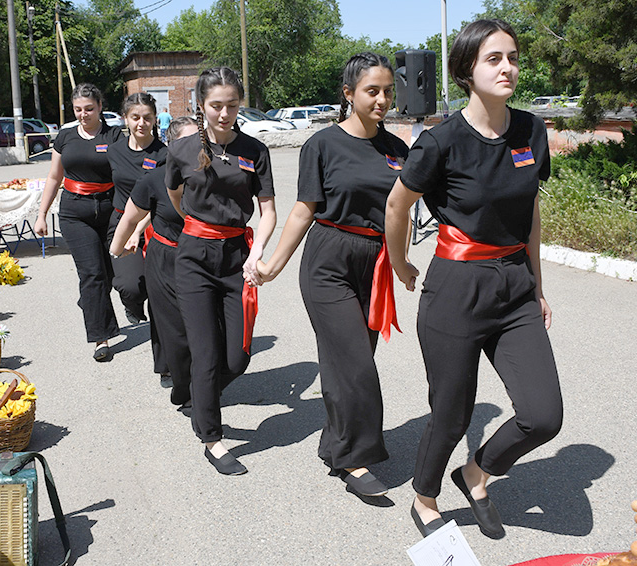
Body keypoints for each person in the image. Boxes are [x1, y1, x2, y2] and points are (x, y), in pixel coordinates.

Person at [384, 19, 563, 539]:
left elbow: (529, 210)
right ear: (466, 71)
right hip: (457, 287)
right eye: (493, 59)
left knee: (542, 414)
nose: (507, 67)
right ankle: (424, 496)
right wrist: (400, 264)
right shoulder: (440, 142)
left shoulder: (531, 130)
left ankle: (476, 473)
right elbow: (398, 206)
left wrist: (537, 282)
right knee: (452, 414)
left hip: (514, 286)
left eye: (512, 56)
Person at [256, 53, 409, 497]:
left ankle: (336, 442)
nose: (382, 100)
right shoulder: (322, 145)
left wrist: (400, 261)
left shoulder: (399, 151)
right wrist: (273, 265)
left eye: (387, 91)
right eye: (372, 91)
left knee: (351, 362)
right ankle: (354, 461)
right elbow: (305, 209)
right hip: (329, 261)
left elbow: (404, 212)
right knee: (355, 366)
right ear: (349, 94)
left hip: (374, 263)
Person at [166, 67, 276, 476]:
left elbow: (268, 211)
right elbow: (174, 195)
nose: (225, 113)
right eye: (217, 106)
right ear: (201, 106)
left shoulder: (255, 150)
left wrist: (258, 252)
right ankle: (211, 437)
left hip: (237, 257)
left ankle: (200, 395)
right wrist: (197, 226)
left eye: (232, 105)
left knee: (238, 355)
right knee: (207, 353)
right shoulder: (180, 151)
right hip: (194, 257)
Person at [109, 117, 198, 405]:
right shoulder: (154, 178)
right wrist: (120, 246)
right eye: (189, 141)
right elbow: (143, 209)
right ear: (172, 146)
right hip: (165, 255)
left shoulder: (211, 176)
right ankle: (173, 372)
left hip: (200, 257)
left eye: (201, 139)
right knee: (168, 321)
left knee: (200, 321)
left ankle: (198, 375)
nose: (198, 146)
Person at [34, 83, 124, 361]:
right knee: (93, 274)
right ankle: (101, 338)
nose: (83, 114)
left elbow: (128, 172)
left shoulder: (115, 135)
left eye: (89, 109)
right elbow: (53, 176)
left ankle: (90, 301)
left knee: (110, 274)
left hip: (110, 209)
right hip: (75, 211)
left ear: (100, 107)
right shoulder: (65, 137)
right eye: (78, 110)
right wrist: (41, 214)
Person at [105, 92, 169, 383]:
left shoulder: (164, 154)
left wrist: (141, 229)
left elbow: (164, 198)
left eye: (147, 117)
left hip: (154, 224)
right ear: (125, 119)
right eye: (135, 117)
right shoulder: (114, 150)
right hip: (120, 222)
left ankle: (167, 365)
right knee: (130, 285)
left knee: (161, 299)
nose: (141, 123)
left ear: (155, 119)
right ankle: (132, 305)